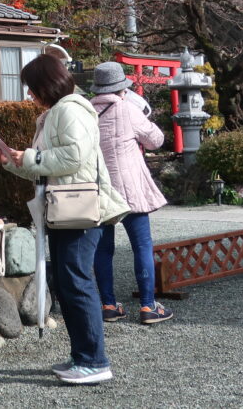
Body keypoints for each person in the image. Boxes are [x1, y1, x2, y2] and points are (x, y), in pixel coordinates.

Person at [0, 54, 130, 385]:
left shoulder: (68, 110)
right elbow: (48, 167)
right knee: (70, 284)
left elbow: (73, 156)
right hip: (66, 209)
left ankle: (94, 360)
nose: (29, 94)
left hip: (78, 211)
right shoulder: (59, 111)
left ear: (46, 85)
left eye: (31, 87)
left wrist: (29, 157)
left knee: (76, 283)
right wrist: (12, 162)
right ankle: (83, 356)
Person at [90, 62, 173, 325]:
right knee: (142, 246)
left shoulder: (86, 111)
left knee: (103, 250)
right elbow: (156, 140)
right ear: (121, 88)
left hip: (99, 190)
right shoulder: (127, 109)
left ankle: (108, 305)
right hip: (130, 191)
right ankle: (148, 306)